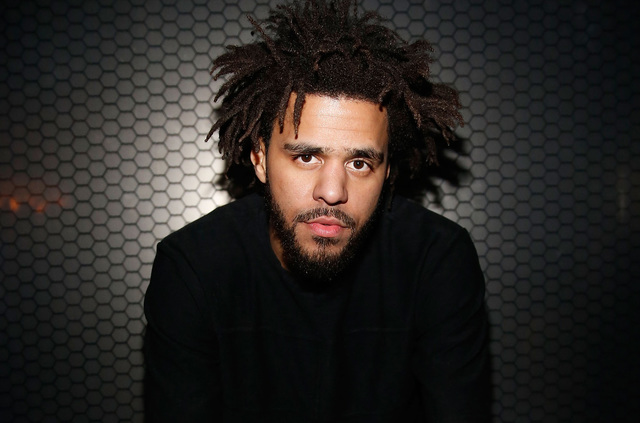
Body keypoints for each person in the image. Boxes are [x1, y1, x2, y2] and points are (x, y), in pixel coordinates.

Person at [143, 0, 490, 421]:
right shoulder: (195, 267)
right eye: (306, 157)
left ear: (387, 173)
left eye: (359, 163)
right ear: (259, 158)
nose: (332, 192)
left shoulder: (436, 260)